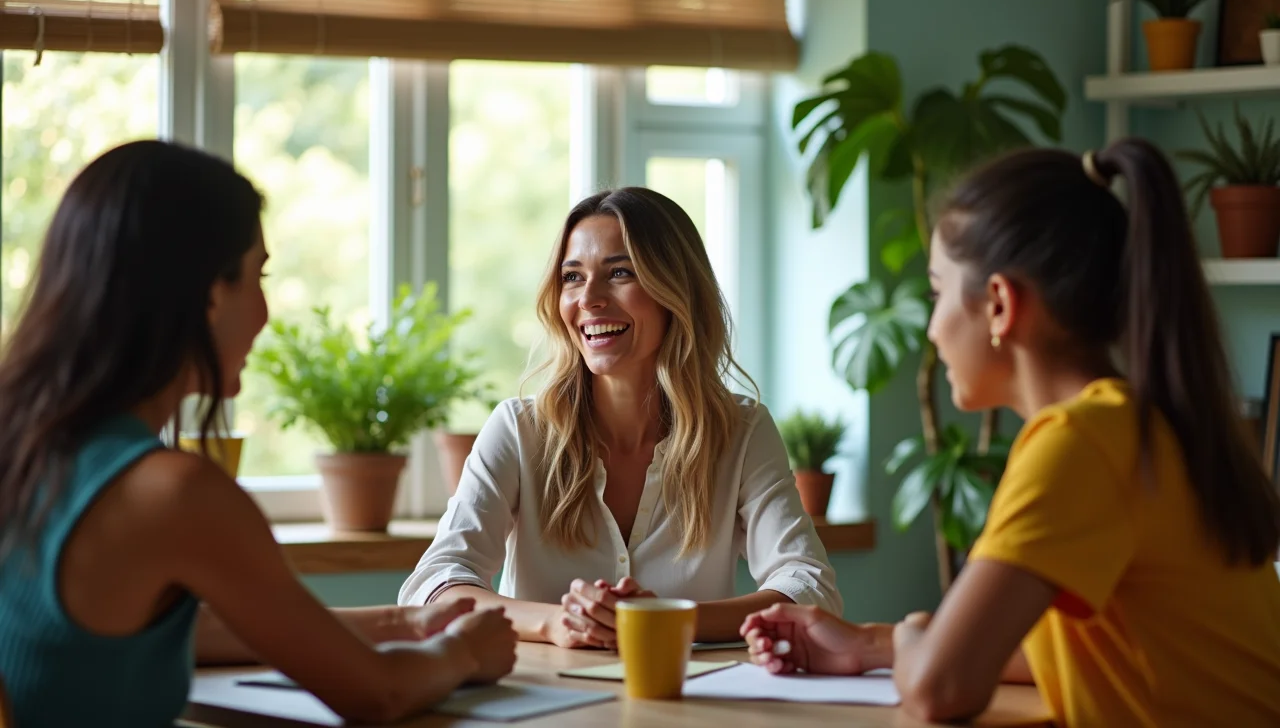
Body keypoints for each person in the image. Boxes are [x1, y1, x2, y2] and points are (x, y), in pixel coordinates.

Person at [740, 139, 1280, 726]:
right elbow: (1060, 652)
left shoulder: (1079, 442)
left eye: (938, 292)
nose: (933, 329)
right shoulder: (1135, 422)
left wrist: (921, 631)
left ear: (998, 304)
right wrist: (871, 643)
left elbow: (937, 688)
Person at [0, 140, 517, 728]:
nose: (267, 311)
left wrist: (406, 624)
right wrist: (464, 652)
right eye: (258, 275)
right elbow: (379, 696)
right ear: (211, 293)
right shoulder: (172, 493)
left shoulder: (28, 445)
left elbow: (196, 631)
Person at [399, 187, 841, 648]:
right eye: (572, 277)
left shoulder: (741, 431)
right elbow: (432, 585)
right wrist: (556, 623)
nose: (589, 298)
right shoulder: (519, 430)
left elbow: (811, 589)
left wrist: (665, 621)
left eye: (620, 272)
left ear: (675, 290)